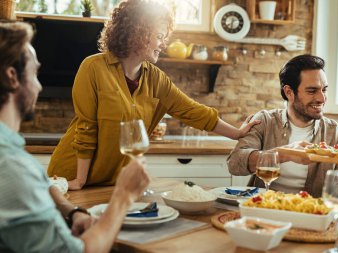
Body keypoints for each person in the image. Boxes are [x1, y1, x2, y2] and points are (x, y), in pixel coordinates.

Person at [47, 0, 258, 190]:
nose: (163, 44)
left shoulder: (156, 79)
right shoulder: (93, 67)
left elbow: (194, 111)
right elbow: (86, 128)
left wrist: (237, 134)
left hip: (111, 182)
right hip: (71, 178)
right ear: (137, 33)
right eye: (159, 36)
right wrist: (79, 180)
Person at [0, 21, 149, 252]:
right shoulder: (12, 166)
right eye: (35, 73)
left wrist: (72, 211)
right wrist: (123, 197)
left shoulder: (11, 150)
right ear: (12, 77)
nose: (39, 86)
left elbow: (36, 185)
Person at [227, 54, 338, 197]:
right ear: (289, 92)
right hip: (263, 209)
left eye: (324, 89)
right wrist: (285, 154)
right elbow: (234, 163)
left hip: (311, 215)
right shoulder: (264, 121)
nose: (321, 98)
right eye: (312, 91)